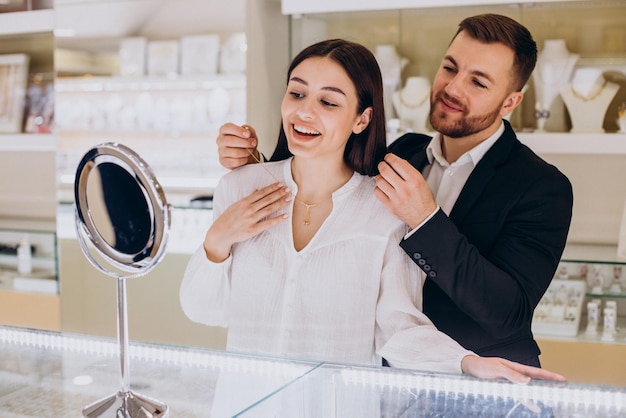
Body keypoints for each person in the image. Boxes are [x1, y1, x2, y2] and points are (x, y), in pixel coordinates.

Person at [182, 38, 565, 384]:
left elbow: (495, 313)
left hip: (466, 384)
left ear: (512, 101)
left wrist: (466, 361)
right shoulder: (401, 155)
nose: (452, 87)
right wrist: (227, 220)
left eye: (478, 81)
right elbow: (317, 160)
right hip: (256, 398)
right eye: (449, 67)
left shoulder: (539, 187)